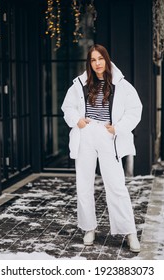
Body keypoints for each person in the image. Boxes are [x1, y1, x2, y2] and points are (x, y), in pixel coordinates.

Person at [61, 44, 142, 253]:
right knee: (84, 184)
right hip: (86, 133)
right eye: (93, 60)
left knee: (116, 186)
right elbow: (67, 107)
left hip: (108, 136)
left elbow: (135, 110)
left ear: (106, 59)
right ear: (89, 63)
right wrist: (77, 120)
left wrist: (118, 128)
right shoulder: (80, 83)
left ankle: (129, 232)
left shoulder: (121, 85)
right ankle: (89, 228)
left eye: (100, 59)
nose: (97, 63)